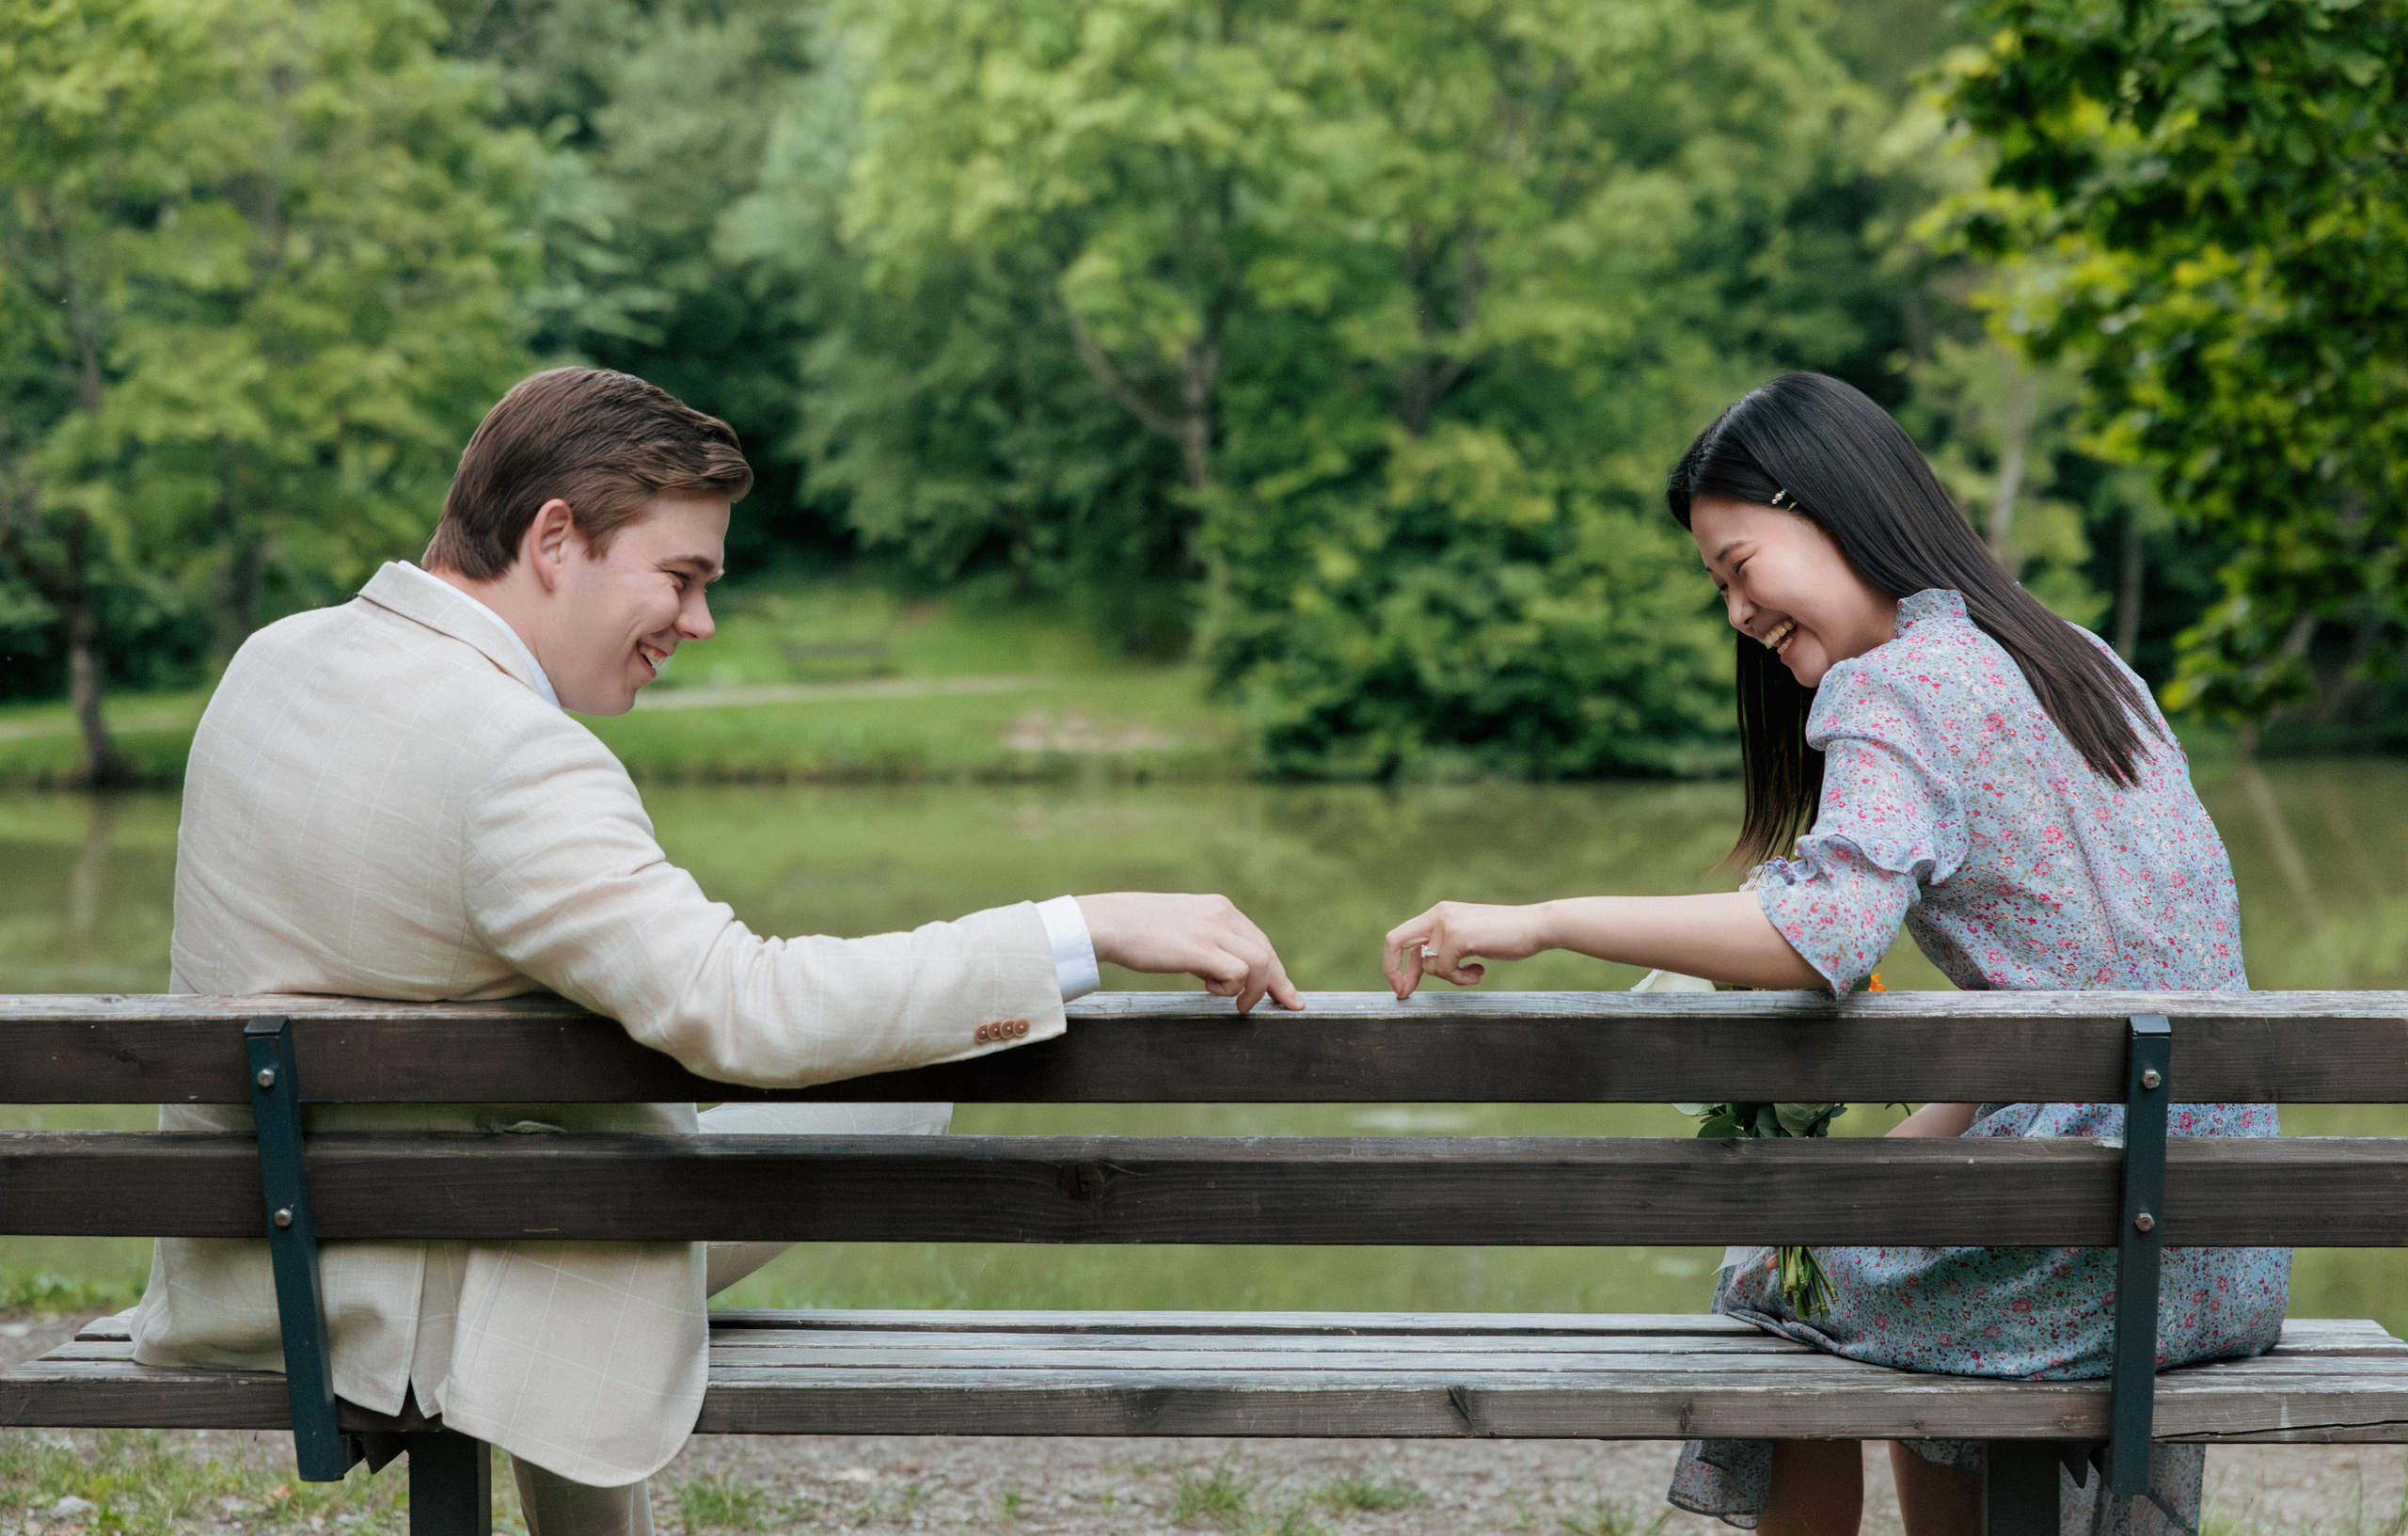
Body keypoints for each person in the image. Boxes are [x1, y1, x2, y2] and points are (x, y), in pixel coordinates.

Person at [132, 366, 1303, 1536]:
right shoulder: (516, 760)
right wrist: (1078, 929)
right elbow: (746, 1010)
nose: (697, 622)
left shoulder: (273, 662)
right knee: (901, 1093)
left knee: (575, 1135)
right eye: (681, 577)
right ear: (555, 539)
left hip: (259, 1265)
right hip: (420, 1283)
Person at [1379, 372, 2287, 1536]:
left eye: (1736, 565)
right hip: (2224, 1250)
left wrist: (1541, 919)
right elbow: (2084, 991)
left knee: (1772, 1275)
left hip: (2085, 1262)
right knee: (1863, 1232)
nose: (1736, 615)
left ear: (1829, 507)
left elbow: (1821, 934)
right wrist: (1893, 1162)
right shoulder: (2085, 663)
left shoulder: (1893, 685)